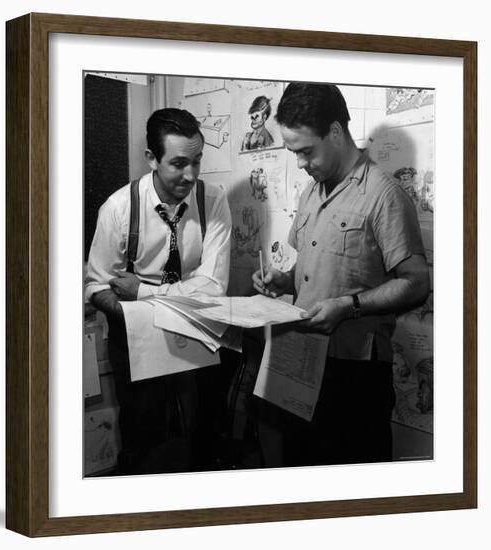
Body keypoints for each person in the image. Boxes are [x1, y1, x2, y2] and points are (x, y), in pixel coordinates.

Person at [252, 83, 430, 466]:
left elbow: (416, 283)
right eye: (293, 152)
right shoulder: (311, 193)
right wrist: (283, 280)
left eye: (305, 151)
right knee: (302, 469)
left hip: (356, 375)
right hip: (300, 361)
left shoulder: (384, 195)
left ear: (335, 131)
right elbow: (314, 266)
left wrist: (348, 306)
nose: (300, 163)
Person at [85, 108, 233, 474]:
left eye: (198, 160)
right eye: (179, 163)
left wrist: (143, 295)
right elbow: (97, 285)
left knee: (201, 439)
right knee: (142, 441)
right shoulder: (118, 209)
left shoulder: (212, 201)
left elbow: (214, 287)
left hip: (196, 335)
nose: (192, 174)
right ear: (151, 158)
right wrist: (129, 313)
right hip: (134, 339)